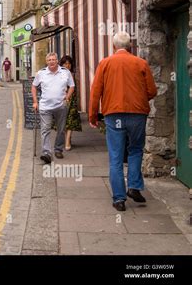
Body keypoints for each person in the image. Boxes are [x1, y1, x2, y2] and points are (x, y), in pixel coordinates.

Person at [89, 32, 157, 212]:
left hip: (114, 115)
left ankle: (119, 199)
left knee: (116, 156)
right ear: (130, 46)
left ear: (113, 47)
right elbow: (152, 90)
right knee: (135, 150)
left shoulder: (105, 63)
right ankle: (133, 186)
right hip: (137, 114)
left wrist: (93, 116)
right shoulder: (141, 63)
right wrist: (140, 99)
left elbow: (96, 92)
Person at [32, 52, 75, 164]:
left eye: (53, 59)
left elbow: (72, 86)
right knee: (45, 129)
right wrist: (35, 102)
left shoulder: (65, 72)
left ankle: (58, 149)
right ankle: (46, 153)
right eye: (49, 60)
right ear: (47, 62)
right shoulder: (41, 73)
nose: (51, 61)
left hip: (61, 106)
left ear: (57, 61)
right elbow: (33, 86)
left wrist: (67, 97)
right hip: (45, 107)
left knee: (61, 129)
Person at [59, 55, 82, 150]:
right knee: (63, 121)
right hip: (61, 100)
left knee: (71, 121)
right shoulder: (59, 74)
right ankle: (67, 138)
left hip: (72, 100)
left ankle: (67, 140)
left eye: (69, 63)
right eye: (65, 63)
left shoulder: (74, 74)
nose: (67, 65)